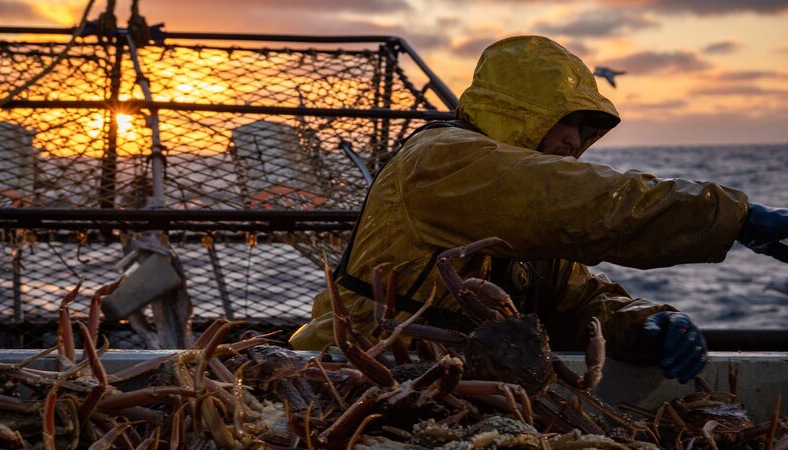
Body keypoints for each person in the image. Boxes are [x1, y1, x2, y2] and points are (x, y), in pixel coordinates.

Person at [289, 35, 788, 384]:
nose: (574, 141)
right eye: (563, 121)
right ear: (517, 113)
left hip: (466, 384)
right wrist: (733, 217)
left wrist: (644, 322)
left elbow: (575, 301)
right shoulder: (441, 160)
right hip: (353, 376)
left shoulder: (527, 219)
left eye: (584, 128)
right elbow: (583, 204)